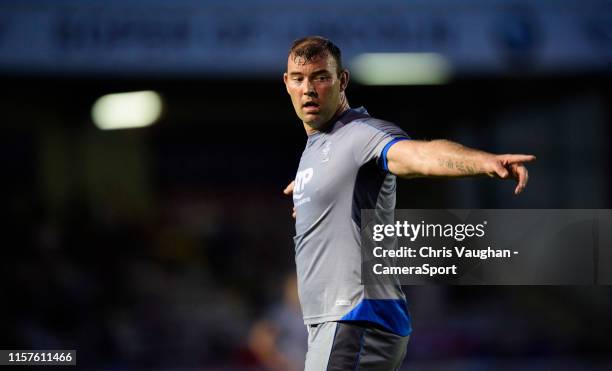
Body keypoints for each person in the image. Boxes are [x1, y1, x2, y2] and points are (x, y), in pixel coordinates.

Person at [281, 36, 535, 371]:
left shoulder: (362, 134)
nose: (308, 89)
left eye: (321, 77)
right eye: (299, 79)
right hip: (331, 323)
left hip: (355, 318)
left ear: (342, 81)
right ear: (287, 83)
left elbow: (416, 155)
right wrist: (310, 194)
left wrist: (481, 162)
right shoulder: (316, 148)